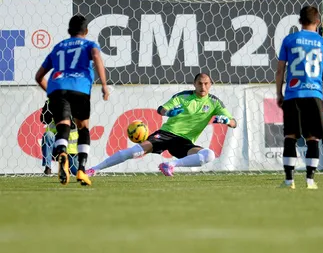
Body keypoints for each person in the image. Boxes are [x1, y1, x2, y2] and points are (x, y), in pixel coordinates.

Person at [86, 73, 237, 176]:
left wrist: (227, 121)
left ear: (211, 84)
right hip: (166, 134)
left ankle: (170, 165)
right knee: (135, 151)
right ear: (194, 84)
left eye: (206, 84)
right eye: (200, 83)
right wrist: (168, 113)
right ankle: (94, 169)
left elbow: (234, 123)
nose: (203, 87)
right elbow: (161, 109)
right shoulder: (183, 96)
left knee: (208, 155)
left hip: (184, 142)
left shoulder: (214, 102)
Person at [35, 15, 109, 186]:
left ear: (69, 31)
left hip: (57, 88)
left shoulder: (58, 47)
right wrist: (104, 85)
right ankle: (82, 171)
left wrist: (53, 92)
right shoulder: (89, 44)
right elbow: (96, 56)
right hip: (79, 88)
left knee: (63, 127)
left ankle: (61, 152)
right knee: (83, 128)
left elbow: (39, 77)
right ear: (87, 31)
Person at [275, 5, 323, 190]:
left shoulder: (289, 40)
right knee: (313, 138)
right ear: (318, 22)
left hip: (293, 95)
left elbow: (280, 70)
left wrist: (279, 93)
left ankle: (289, 181)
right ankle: (310, 181)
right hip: (314, 94)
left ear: (300, 21)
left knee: (290, 136)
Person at [40, 100, 79, 176]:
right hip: (55, 147)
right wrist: (49, 106)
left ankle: (66, 167)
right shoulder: (51, 101)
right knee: (48, 135)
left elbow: (75, 123)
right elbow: (43, 120)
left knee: (76, 173)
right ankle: (47, 168)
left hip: (70, 149)